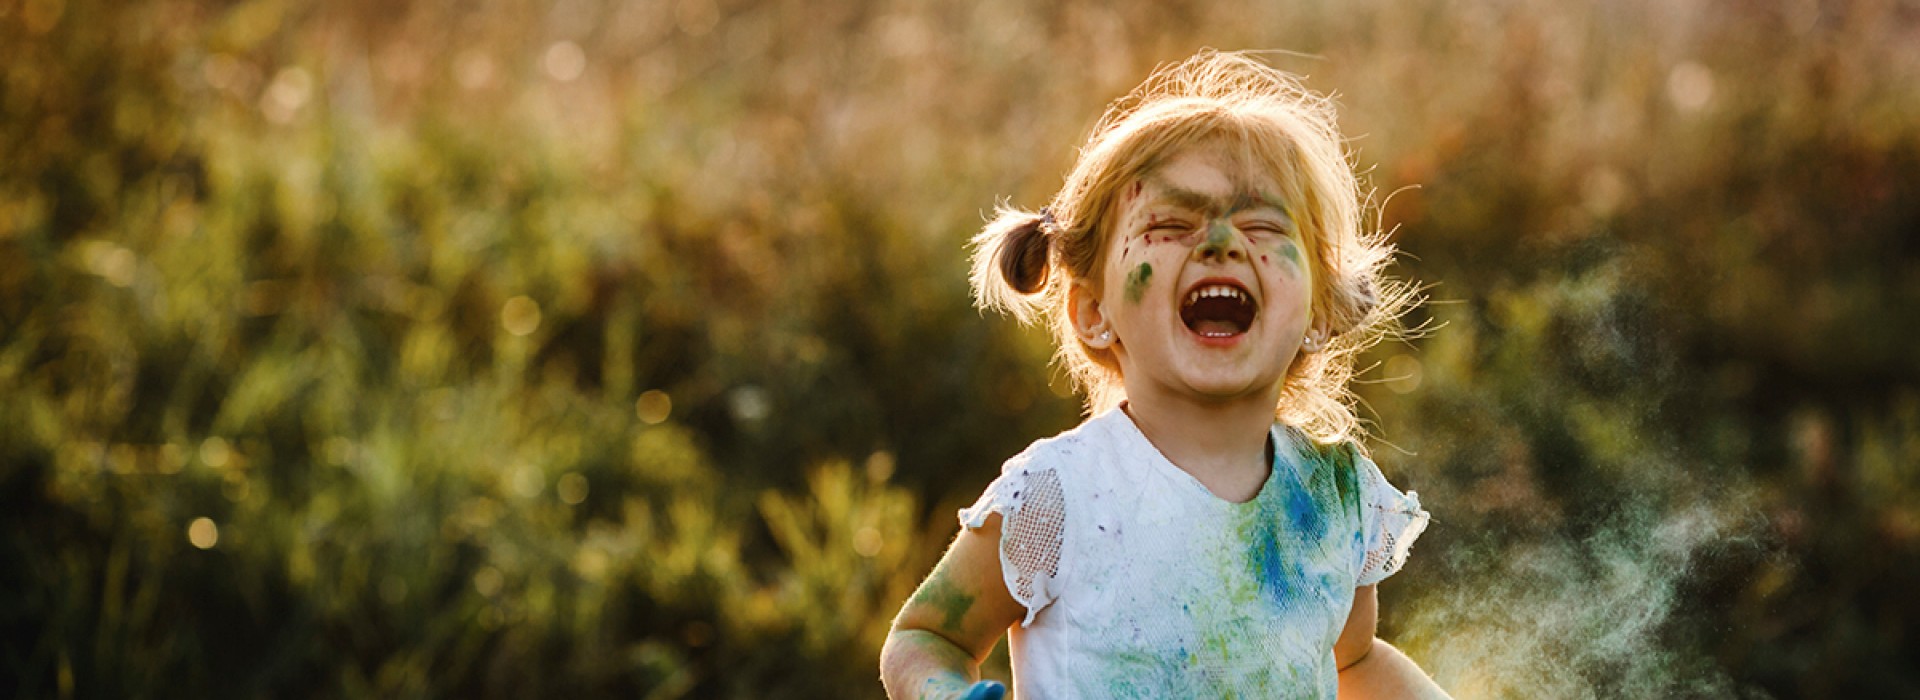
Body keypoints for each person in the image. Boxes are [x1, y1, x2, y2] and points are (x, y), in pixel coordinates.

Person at [879, 50, 1451, 699]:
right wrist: (945, 693)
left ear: (1320, 311)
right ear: (1094, 312)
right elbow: (929, 637)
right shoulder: (1062, 494)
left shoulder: (1333, 496)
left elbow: (1356, 660)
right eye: (1172, 224)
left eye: (1263, 224)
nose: (1221, 244)